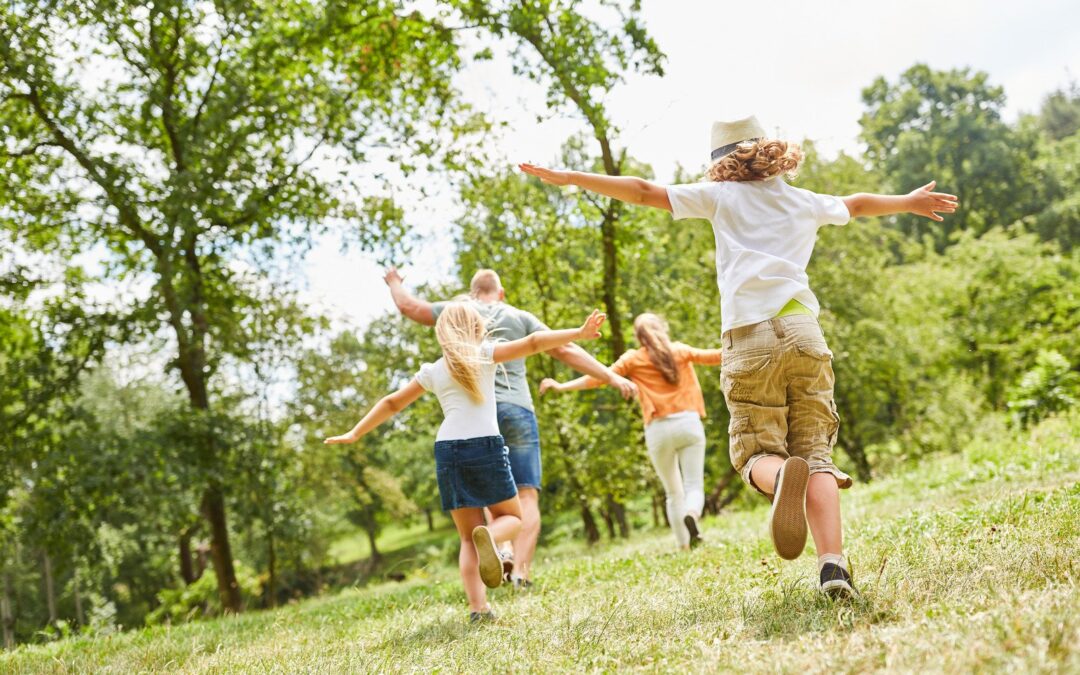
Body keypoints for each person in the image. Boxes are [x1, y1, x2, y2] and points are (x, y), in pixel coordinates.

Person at [519, 115, 958, 597]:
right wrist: (910, 202)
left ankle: (777, 478)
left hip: (750, 337)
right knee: (816, 456)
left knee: (754, 452)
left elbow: (644, 190)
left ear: (722, 163)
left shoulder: (720, 197)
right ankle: (833, 569)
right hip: (804, 332)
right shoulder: (802, 200)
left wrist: (573, 178)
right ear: (769, 151)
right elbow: (855, 203)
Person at [325, 303, 608, 621]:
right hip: (484, 445)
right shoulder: (485, 354)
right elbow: (532, 343)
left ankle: (478, 609)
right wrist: (578, 333)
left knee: (466, 537)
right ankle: (493, 537)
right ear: (477, 329)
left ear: (442, 333)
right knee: (513, 518)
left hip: (447, 450)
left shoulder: (432, 370)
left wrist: (354, 432)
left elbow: (392, 402)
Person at [383, 267, 636, 589]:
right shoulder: (518, 315)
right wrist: (611, 376)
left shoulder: (456, 311)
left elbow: (410, 308)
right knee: (525, 496)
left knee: (493, 496)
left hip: (474, 418)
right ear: (500, 293)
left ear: (472, 293)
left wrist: (394, 282)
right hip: (517, 410)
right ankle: (521, 573)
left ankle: (501, 550)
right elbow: (562, 348)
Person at [539, 313, 722, 550]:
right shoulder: (680, 351)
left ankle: (683, 546)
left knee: (672, 492)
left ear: (638, 337)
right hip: (688, 423)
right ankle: (692, 514)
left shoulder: (633, 359)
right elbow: (717, 356)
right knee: (693, 486)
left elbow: (599, 377)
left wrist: (562, 386)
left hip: (658, 430)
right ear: (662, 329)